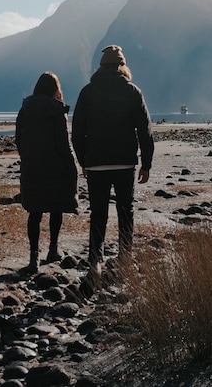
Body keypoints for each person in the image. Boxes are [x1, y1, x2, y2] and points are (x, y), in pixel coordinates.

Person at [71, 45, 154, 285]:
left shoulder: (87, 92)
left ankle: (95, 262)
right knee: (125, 210)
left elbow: (77, 132)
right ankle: (125, 258)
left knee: (98, 214)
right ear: (121, 66)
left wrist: (83, 161)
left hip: (96, 163)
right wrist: (146, 163)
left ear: (101, 66)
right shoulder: (133, 91)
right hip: (125, 162)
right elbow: (145, 131)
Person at [15, 72, 79, 273]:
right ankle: (53, 250)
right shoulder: (57, 111)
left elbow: (19, 139)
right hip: (55, 166)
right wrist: (72, 166)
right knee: (56, 207)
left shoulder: (25, 110)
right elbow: (63, 143)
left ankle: (33, 259)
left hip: (32, 166)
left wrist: (27, 158)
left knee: (34, 212)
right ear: (55, 89)